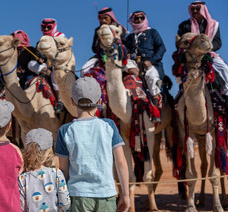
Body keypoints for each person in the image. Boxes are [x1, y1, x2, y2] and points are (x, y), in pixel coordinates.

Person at [55, 77, 130, 212]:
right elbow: (121, 162)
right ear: (100, 101)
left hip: (77, 195)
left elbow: (64, 170)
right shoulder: (110, 126)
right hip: (106, 195)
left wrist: (61, 197)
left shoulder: (64, 131)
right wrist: (126, 194)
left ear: (72, 101)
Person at [177, 1, 228, 130]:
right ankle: (180, 97)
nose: (195, 11)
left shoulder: (214, 25)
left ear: (203, 9)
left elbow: (218, 42)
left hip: (208, 54)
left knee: (225, 70)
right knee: (180, 72)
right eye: (193, 8)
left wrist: (207, 50)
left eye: (198, 8)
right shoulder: (185, 25)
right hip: (191, 55)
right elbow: (180, 42)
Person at [18, 128, 71, 212]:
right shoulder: (57, 174)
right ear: (49, 152)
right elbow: (65, 203)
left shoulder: (22, 178)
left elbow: (21, 206)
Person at [125, 11, 166, 107]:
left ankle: (156, 103)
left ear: (144, 19)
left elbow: (161, 48)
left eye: (141, 18)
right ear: (132, 20)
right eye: (136, 18)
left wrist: (151, 61)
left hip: (150, 63)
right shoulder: (130, 37)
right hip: (133, 64)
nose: (139, 20)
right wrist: (127, 54)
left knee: (152, 76)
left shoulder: (152, 32)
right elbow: (125, 50)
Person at [81, 7, 127, 76]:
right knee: (84, 70)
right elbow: (94, 48)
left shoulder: (118, 28)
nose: (103, 20)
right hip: (101, 56)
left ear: (111, 17)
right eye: (101, 18)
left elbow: (123, 43)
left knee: (130, 70)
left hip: (118, 55)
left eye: (106, 18)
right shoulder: (98, 30)